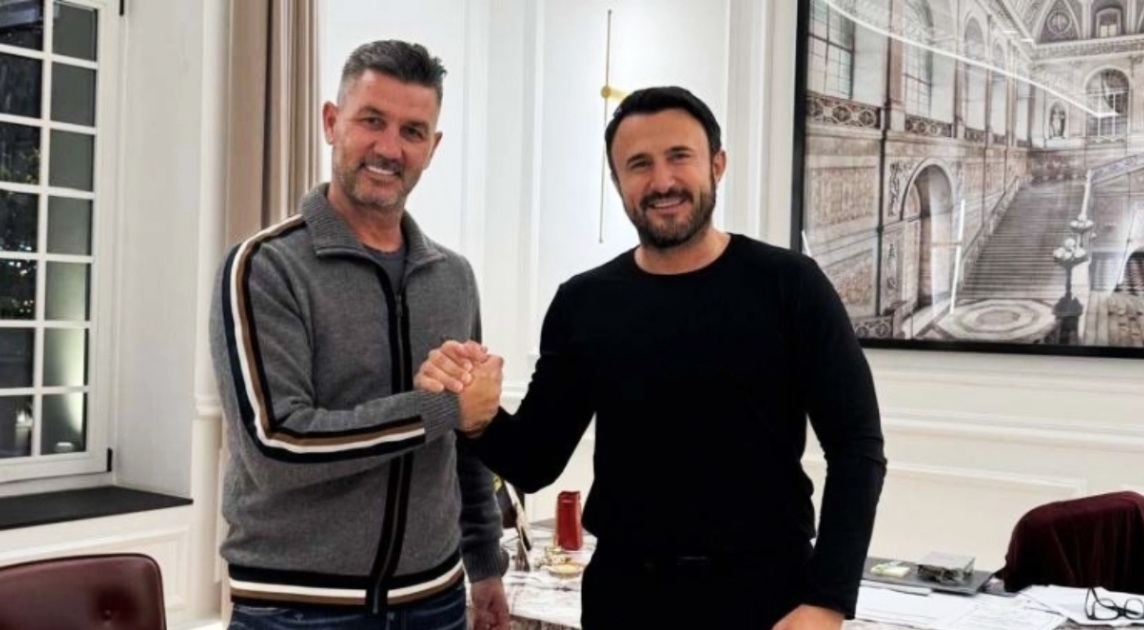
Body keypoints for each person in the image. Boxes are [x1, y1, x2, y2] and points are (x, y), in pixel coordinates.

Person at [417, 86, 887, 630]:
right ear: (618, 182)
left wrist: (827, 600)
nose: (662, 182)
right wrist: (475, 414)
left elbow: (857, 446)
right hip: (626, 597)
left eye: (679, 157)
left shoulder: (790, 285)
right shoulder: (584, 303)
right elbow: (535, 461)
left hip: (767, 596)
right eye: (639, 164)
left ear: (717, 165)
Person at [208, 40, 509, 630]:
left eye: (412, 131)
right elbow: (278, 445)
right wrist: (441, 407)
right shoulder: (263, 267)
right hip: (297, 609)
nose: (389, 148)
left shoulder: (454, 277)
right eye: (372, 121)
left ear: (432, 148)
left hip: (436, 601)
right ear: (331, 122)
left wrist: (484, 562)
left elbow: (466, 441)